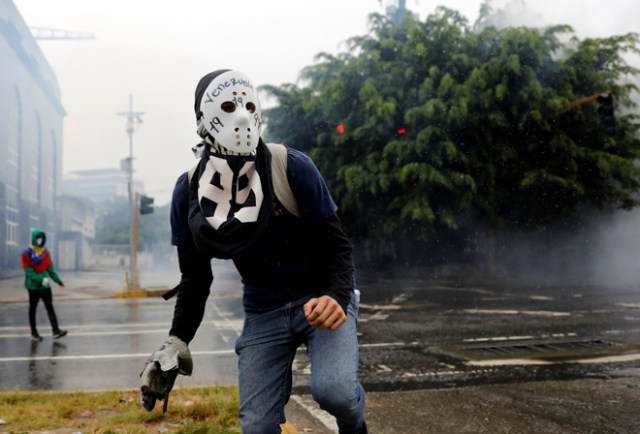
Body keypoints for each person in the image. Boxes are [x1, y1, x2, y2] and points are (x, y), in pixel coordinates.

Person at [140, 69, 367, 433]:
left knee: (336, 392)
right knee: (257, 427)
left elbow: (337, 244)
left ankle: (356, 427)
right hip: (265, 310)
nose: (242, 116)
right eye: (228, 106)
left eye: (248, 104)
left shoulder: (291, 166)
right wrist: (176, 341)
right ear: (203, 121)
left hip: (321, 295)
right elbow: (196, 277)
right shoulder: (190, 192)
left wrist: (337, 296)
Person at [20, 228, 67, 341]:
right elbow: (29, 272)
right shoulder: (26, 253)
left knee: (50, 307)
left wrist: (58, 280)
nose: (40, 240)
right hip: (33, 286)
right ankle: (34, 332)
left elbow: (50, 269)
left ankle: (56, 330)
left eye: (42, 238)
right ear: (33, 239)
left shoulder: (46, 253)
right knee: (33, 309)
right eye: (38, 238)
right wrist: (41, 279)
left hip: (45, 286)